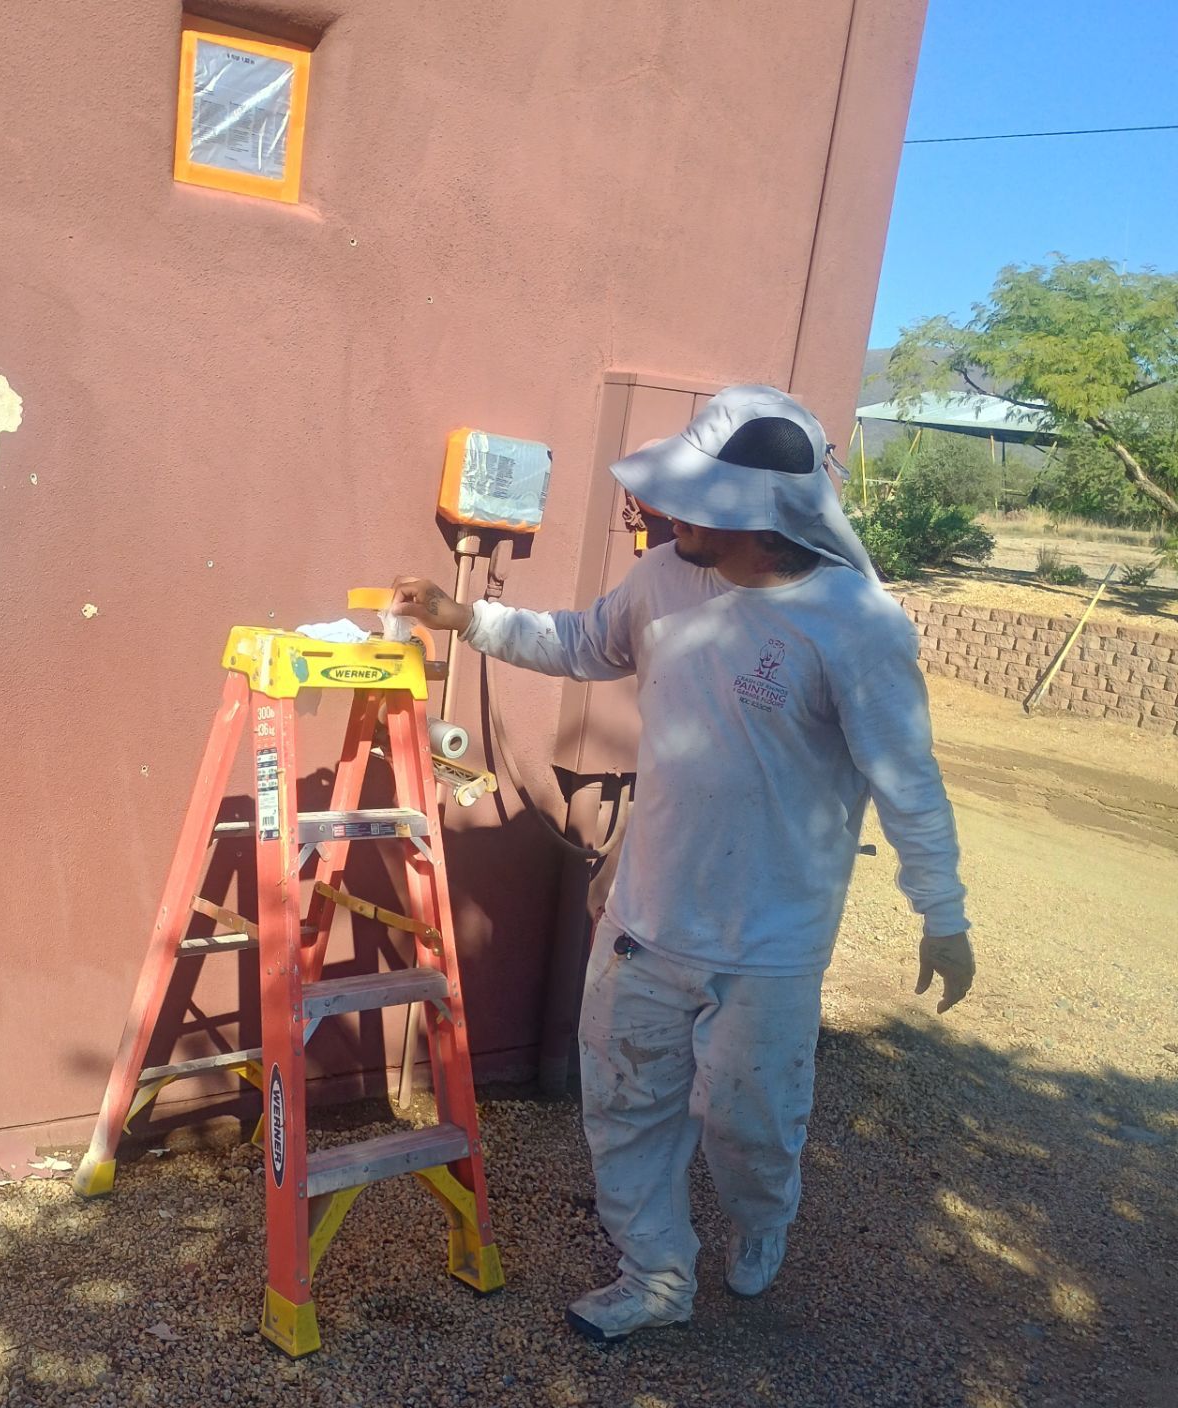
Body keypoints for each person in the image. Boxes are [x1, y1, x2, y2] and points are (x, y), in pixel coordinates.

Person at [392, 384, 975, 1342]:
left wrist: (941, 913)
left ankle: (762, 1219)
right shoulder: (664, 578)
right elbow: (583, 643)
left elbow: (906, 778)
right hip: (647, 918)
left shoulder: (857, 626)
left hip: (770, 943)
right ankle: (656, 1273)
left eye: (692, 500)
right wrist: (467, 618)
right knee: (624, 1106)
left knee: (751, 1126)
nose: (664, 514)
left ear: (758, 514)